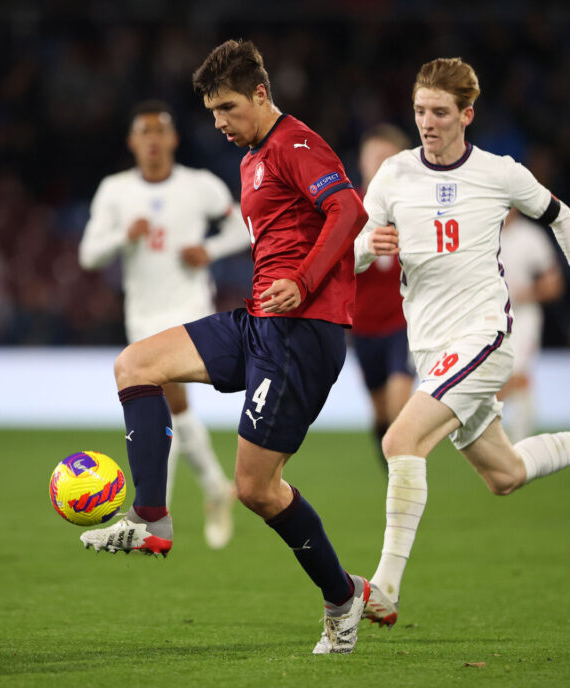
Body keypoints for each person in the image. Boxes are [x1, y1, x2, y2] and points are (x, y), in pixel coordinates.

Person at [78, 40, 371, 654]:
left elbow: (348, 210)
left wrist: (306, 280)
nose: (220, 122)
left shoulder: (295, 144)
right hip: (259, 321)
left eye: (229, 108)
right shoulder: (250, 159)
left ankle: (343, 598)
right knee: (136, 364)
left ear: (262, 95)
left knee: (257, 490)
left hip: (302, 334)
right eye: (212, 112)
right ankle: (152, 518)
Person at [353, 58, 570, 627]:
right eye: (420, 110)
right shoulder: (394, 175)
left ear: (467, 115)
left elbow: (562, 217)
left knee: (400, 438)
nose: (428, 121)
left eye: (440, 112)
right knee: (505, 475)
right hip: (432, 350)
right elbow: (354, 250)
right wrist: (370, 244)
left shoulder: (499, 173)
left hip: (483, 337)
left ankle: (385, 589)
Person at [79, 100, 248, 549]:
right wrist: (123, 237)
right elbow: (88, 254)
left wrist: (208, 250)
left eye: (160, 131)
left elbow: (243, 229)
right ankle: (213, 487)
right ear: (133, 141)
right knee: (174, 407)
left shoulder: (200, 185)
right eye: (144, 132)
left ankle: (156, 515)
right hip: (143, 313)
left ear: (173, 139)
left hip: (189, 304)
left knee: (168, 396)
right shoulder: (115, 190)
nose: (153, 140)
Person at [351, 125, 416, 464]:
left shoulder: (415, 207)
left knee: (398, 407)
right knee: (380, 414)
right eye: (373, 157)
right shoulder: (347, 208)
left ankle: (407, 479)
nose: (378, 165)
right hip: (363, 327)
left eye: (386, 159)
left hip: (403, 323)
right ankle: (395, 475)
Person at [496, 209, 564, 441]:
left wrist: (526, 293)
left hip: (523, 317)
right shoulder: (482, 232)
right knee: (497, 379)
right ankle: (506, 440)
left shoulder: (530, 237)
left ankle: (519, 442)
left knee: (518, 374)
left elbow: (554, 283)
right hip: (488, 318)